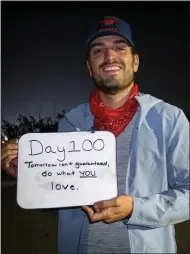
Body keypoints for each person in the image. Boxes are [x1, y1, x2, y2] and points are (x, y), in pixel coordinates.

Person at [1, 16, 189, 254]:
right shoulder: (69, 124)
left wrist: (136, 208)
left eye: (120, 48)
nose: (110, 57)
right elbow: (60, 199)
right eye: (98, 51)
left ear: (135, 62)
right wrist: (30, 176)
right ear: (89, 67)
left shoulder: (169, 119)